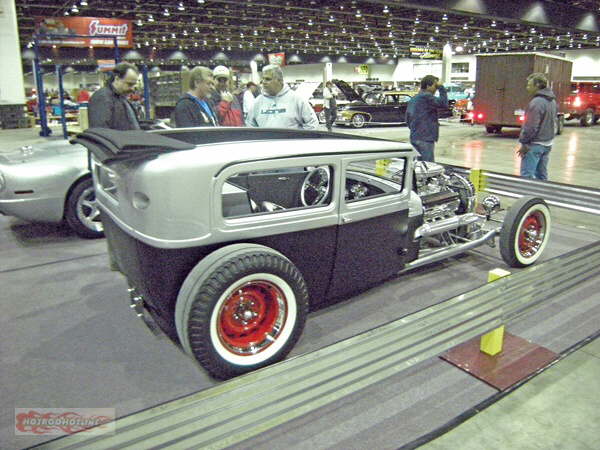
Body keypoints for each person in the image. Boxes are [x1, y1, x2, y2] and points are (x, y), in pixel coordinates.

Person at [246, 64, 318, 129]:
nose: (263, 82)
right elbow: (250, 125)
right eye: (263, 79)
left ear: (280, 80)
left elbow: (312, 123)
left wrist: (300, 141)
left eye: (268, 79)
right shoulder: (257, 102)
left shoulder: (297, 100)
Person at [517, 73, 557, 181]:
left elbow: (531, 127)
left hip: (534, 145)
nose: (527, 88)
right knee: (541, 175)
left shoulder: (536, 103)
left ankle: (527, 197)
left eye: (529, 85)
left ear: (538, 85)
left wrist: (524, 143)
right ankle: (543, 196)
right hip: (547, 143)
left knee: (527, 176)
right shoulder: (552, 101)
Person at [405, 75, 448, 162]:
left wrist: (415, 128)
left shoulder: (414, 98)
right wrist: (441, 87)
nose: (436, 89)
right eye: (435, 86)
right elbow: (444, 104)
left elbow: (407, 118)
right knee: (428, 166)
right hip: (426, 138)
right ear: (428, 86)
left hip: (415, 136)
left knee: (417, 165)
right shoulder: (427, 97)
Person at [88, 62, 140, 130]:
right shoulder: (102, 98)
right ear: (117, 79)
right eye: (129, 84)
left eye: (134, 85)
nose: (133, 89)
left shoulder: (121, 98)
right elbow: (100, 132)